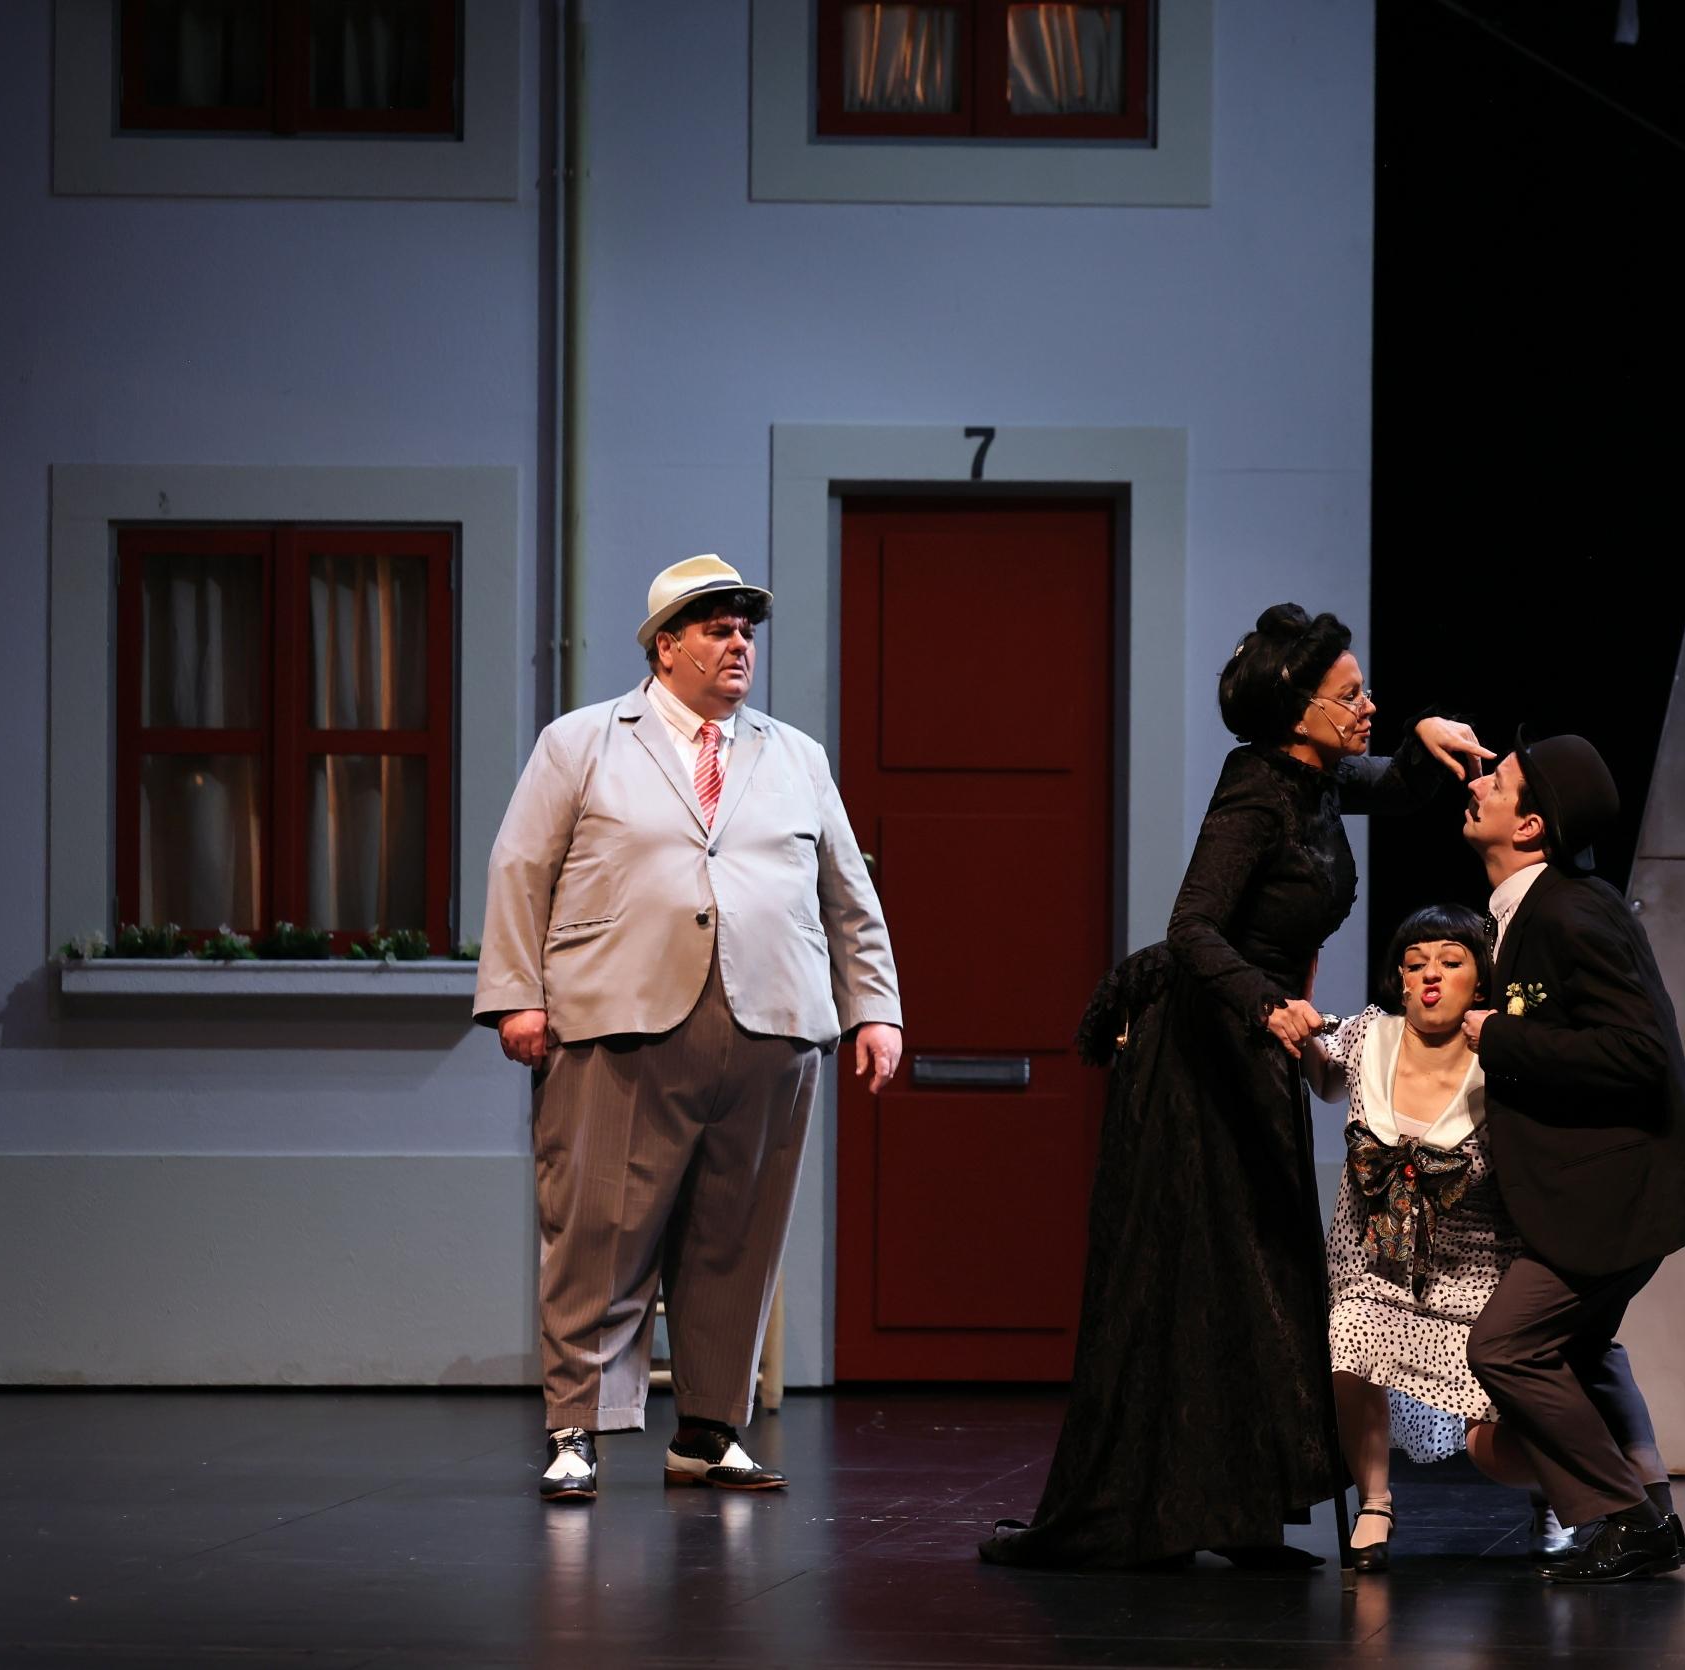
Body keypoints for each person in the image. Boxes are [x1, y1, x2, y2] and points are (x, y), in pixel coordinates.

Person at [978, 603, 1492, 1571]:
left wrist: (1425, 736)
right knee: (1197, 1273)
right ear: (1297, 711)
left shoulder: (1318, 777)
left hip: (1251, 1046)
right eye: (1350, 695)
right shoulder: (1256, 794)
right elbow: (1191, 927)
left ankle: (1237, 1513)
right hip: (1199, 1051)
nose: (1367, 707)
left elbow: (1393, 783)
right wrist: (1267, 1005)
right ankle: (1149, 1515)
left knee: (1257, 1274)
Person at [475, 554, 904, 1503]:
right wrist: (516, 996)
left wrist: (873, 1007)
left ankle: (709, 1430)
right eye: (718, 629)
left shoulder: (796, 756)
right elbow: (520, 869)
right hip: (619, 1018)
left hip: (770, 1024)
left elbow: (848, 896)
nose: (739, 644)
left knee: (737, 1234)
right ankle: (577, 1428)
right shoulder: (581, 742)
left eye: (746, 630)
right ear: (666, 647)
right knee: (598, 1228)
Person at [1458, 731, 1685, 1584]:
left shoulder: (1570, 912)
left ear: (1530, 824)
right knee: (1580, 1351)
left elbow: (1636, 1051)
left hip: (1615, 1196)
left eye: (1498, 781)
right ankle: (1649, 1519)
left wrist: (1501, 1037)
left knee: (1506, 1346)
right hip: (1589, 1192)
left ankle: (1628, 1517)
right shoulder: (1533, 911)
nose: (1477, 784)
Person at [1305, 901, 1577, 1573]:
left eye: (1450, 962)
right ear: (1399, 980)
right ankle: (1376, 1502)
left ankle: (1556, 1489)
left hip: (1477, 1277)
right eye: (1415, 963)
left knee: (1492, 1450)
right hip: (1374, 1269)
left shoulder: (1503, 1055)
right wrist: (1296, 1014)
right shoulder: (1368, 1038)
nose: (1430, 975)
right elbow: (1324, 1079)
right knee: (1349, 1343)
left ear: (1479, 981)